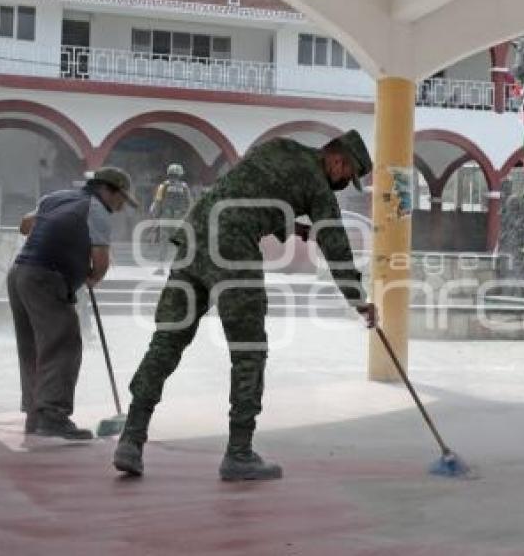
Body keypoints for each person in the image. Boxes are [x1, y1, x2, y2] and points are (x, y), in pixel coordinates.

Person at [113, 130, 377, 481]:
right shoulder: (318, 184)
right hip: (232, 250)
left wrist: (288, 224)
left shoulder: (279, 146)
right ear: (339, 160)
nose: (345, 182)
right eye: (348, 175)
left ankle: (131, 439)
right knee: (249, 350)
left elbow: (248, 189)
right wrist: (358, 299)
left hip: (194, 237)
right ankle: (239, 453)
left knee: (168, 340)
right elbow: (336, 243)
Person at [8, 167, 137, 439]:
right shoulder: (98, 211)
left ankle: (35, 415)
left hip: (20, 273)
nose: (122, 205)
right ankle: (53, 416)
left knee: (32, 346)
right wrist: (92, 277)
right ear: (108, 190)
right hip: (45, 277)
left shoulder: (57, 198)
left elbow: (24, 225)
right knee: (63, 344)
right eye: (122, 198)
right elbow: (100, 261)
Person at [149, 163, 193, 275]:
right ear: (180, 174)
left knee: (164, 242)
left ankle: (160, 268)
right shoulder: (184, 187)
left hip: (165, 218)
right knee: (178, 243)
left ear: (169, 173)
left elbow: (158, 202)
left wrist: (156, 217)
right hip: (178, 220)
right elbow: (189, 203)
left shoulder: (163, 186)